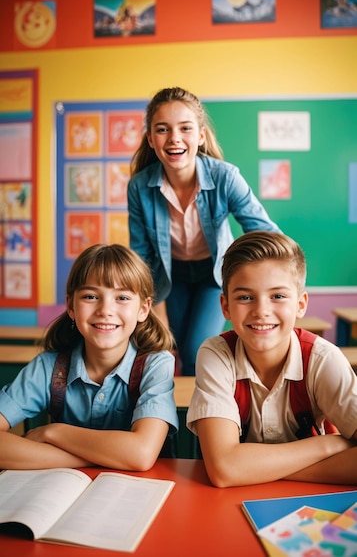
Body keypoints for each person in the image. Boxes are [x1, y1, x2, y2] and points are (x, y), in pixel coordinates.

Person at [128, 86, 280, 375]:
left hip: (215, 274)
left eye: (185, 128)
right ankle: (180, 414)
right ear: (150, 138)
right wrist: (154, 311)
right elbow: (142, 257)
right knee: (168, 348)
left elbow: (265, 232)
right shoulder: (139, 186)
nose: (174, 138)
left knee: (196, 350)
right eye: (162, 129)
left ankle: (204, 416)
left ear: (200, 135)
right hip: (170, 278)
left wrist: (265, 288)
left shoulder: (225, 176)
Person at [187, 231, 357, 487]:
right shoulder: (217, 354)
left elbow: (232, 469)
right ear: (225, 306)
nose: (261, 311)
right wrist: (324, 446)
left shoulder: (322, 359)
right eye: (245, 297)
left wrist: (253, 470)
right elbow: (223, 470)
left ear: (300, 304)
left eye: (277, 296)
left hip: (312, 503)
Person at [0, 244, 178, 470]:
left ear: (143, 309)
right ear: (71, 306)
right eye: (91, 296)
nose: (105, 310)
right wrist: (94, 460)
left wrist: (53, 432)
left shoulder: (155, 364)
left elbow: (140, 454)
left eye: (122, 297)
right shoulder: (48, 367)